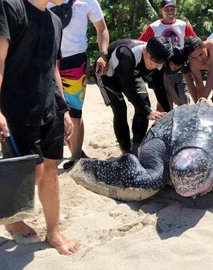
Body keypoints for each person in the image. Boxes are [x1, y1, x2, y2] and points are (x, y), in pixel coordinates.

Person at [0, 0, 79, 255]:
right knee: (29, 173)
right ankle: (11, 219)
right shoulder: (10, 7)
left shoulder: (55, 21)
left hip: (49, 108)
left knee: (51, 169)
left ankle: (53, 230)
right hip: (17, 109)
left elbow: (52, 67)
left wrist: (63, 108)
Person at [48, 0, 109, 170]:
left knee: (74, 110)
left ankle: (75, 157)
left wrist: (104, 54)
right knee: (53, 110)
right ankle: (73, 150)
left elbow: (101, 28)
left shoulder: (88, 1)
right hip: (47, 58)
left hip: (75, 61)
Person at [99, 37, 170, 154]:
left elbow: (159, 86)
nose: (153, 66)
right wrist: (148, 112)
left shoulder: (160, 60)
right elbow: (128, 89)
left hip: (132, 75)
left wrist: (168, 112)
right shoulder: (126, 54)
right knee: (120, 110)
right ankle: (126, 149)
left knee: (144, 103)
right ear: (144, 50)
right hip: (108, 76)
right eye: (151, 61)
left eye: (158, 63)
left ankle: (137, 145)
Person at [139, 0, 197, 111]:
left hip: (180, 65)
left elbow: (194, 42)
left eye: (172, 9)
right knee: (163, 100)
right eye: (166, 9)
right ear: (161, 11)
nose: (170, 12)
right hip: (161, 67)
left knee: (184, 98)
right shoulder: (154, 27)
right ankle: (161, 123)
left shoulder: (183, 25)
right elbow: (142, 44)